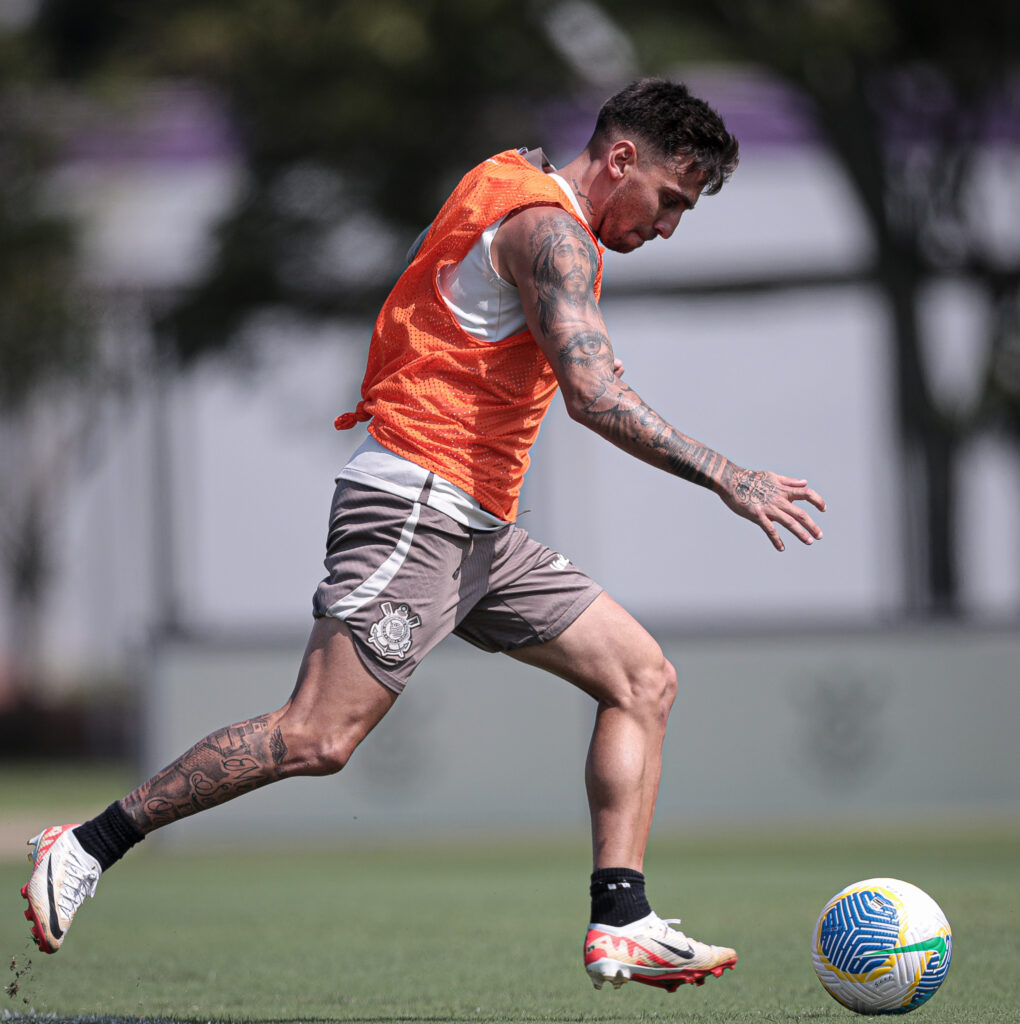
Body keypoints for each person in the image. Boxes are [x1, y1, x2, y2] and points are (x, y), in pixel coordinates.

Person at [21, 78, 825, 993]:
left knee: (642, 679)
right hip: (418, 504)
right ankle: (88, 845)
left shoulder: (504, 175)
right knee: (317, 736)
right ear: (620, 159)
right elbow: (595, 396)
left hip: (482, 526)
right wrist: (730, 476)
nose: (669, 226)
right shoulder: (551, 232)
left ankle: (622, 920)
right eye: (670, 200)